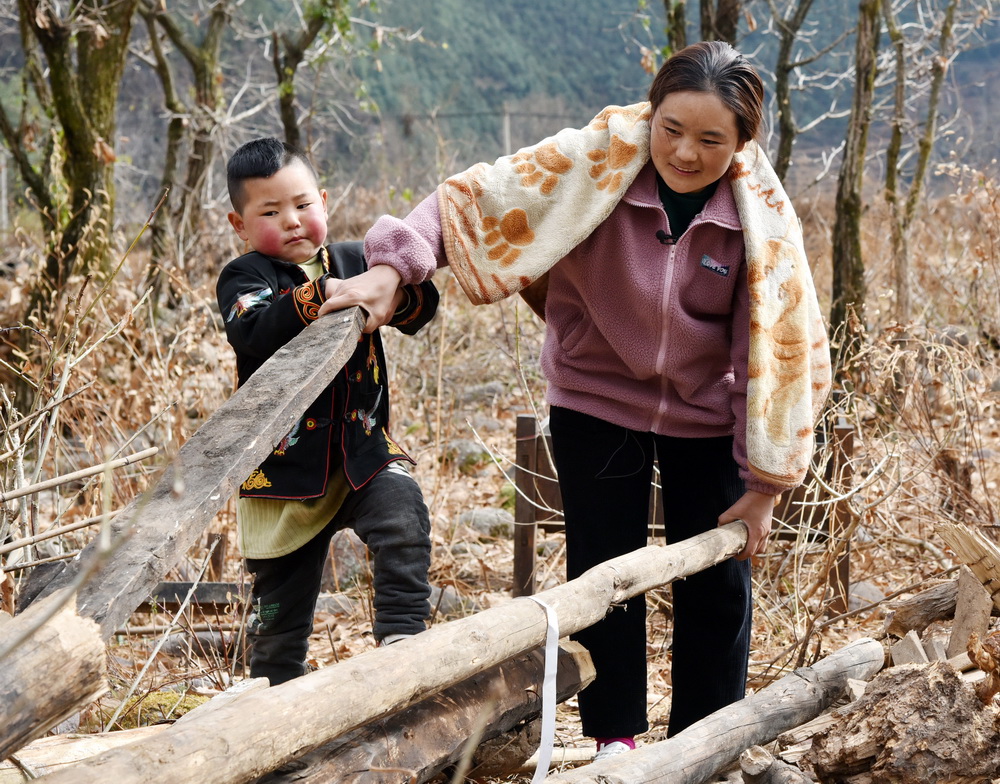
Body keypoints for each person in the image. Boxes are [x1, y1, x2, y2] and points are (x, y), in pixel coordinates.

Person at [319, 42, 831, 758]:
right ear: (650, 116)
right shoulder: (596, 161)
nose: (684, 152)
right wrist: (393, 269)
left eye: (711, 139)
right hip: (596, 392)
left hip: (706, 412)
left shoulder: (761, 222)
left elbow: (776, 347)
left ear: (743, 142)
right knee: (602, 568)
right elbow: (475, 198)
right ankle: (613, 740)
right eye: (671, 129)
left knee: (717, 580)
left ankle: (706, 743)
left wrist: (766, 483)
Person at [217, 137, 439, 686]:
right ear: (238, 224)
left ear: (323, 199)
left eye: (302, 205)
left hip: (360, 448)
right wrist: (321, 295)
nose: (291, 221)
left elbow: (421, 304)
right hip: (286, 471)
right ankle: (275, 698)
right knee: (279, 616)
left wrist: (393, 295)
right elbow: (252, 331)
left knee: (403, 515)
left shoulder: (356, 258)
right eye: (269, 212)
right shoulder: (246, 278)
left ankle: (403, 637)